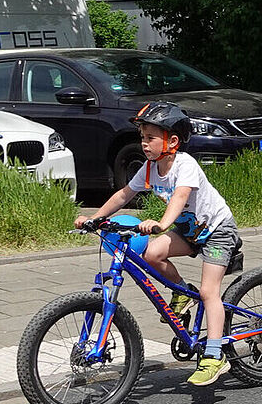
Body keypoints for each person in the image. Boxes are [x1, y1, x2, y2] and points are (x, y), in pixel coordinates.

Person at [78, 102, 240, 386]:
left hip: (217, 231)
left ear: (172, 141)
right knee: (151, 253)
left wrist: (162, 224)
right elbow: (124, 194)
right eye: (142, 137)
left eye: (150, 137)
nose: (144, 143)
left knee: (209, 291)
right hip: (190, 232)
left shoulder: (185, 165)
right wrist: (95, 217)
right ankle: (182, 294)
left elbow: (179, 198)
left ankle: (215, 356)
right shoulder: (151, 168)